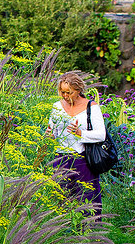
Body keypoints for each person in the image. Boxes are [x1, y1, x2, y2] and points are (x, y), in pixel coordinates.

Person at [45, 72, 106, 215]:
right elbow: (53, 132)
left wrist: (80, 134)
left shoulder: (91, 107)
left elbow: (101, 134)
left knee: (87, 199)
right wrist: (50, 136)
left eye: (69, 93)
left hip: (83, 160)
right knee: (60, 198)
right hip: (60, 159)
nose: (65, 96)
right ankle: (62, 232)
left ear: (78, 90)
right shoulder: (57, 107)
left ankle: (90, 232)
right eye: (62, 92)